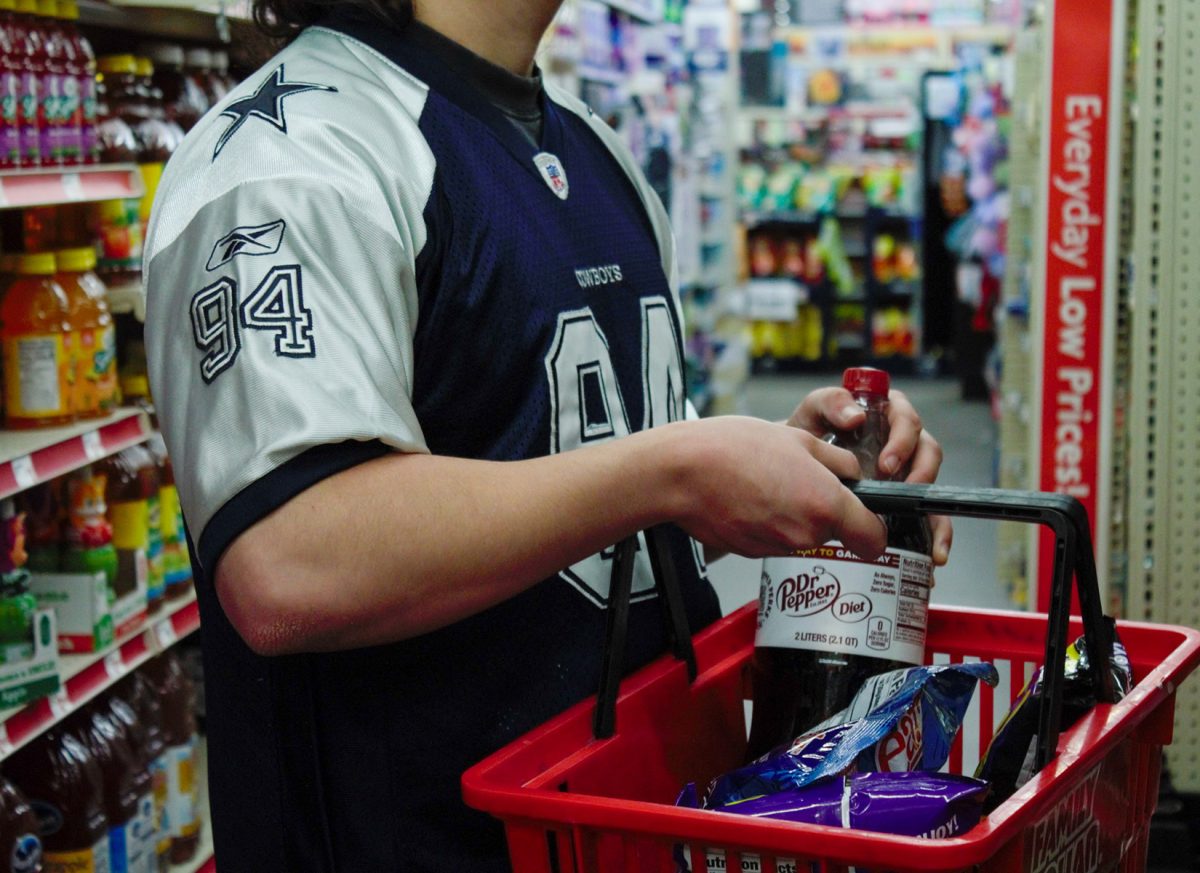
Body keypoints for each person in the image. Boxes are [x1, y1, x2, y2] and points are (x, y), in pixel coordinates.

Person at [143, 1, 950, 870]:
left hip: (634, 818)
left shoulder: (591, 150)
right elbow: (288, 560)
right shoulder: (294, 154)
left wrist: (773, 467)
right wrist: (674, 470)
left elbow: (580, 506)